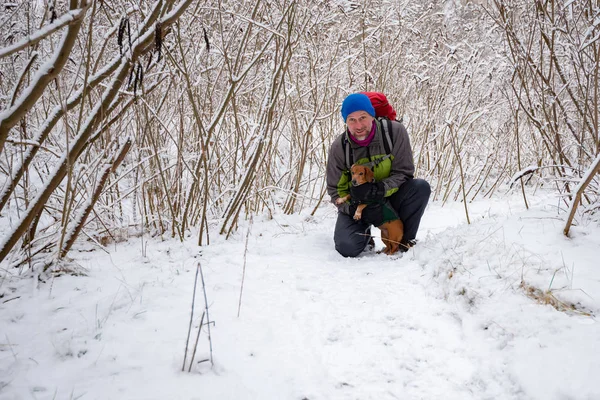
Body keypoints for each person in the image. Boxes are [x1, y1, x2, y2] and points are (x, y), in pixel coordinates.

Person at [326, 93, 431, 257]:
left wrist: (380, 189)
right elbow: (334, 190)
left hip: (390, 197)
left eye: (363, 117)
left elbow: (404, 172)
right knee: (347, 247)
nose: (358, 125)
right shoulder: (340, 147)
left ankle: (403, 241)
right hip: (358, 205)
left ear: (372, 115)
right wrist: (353, 208)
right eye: (351, 120)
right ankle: (366, 237)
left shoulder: (394, 132)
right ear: (345, 122)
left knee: (419, 187)